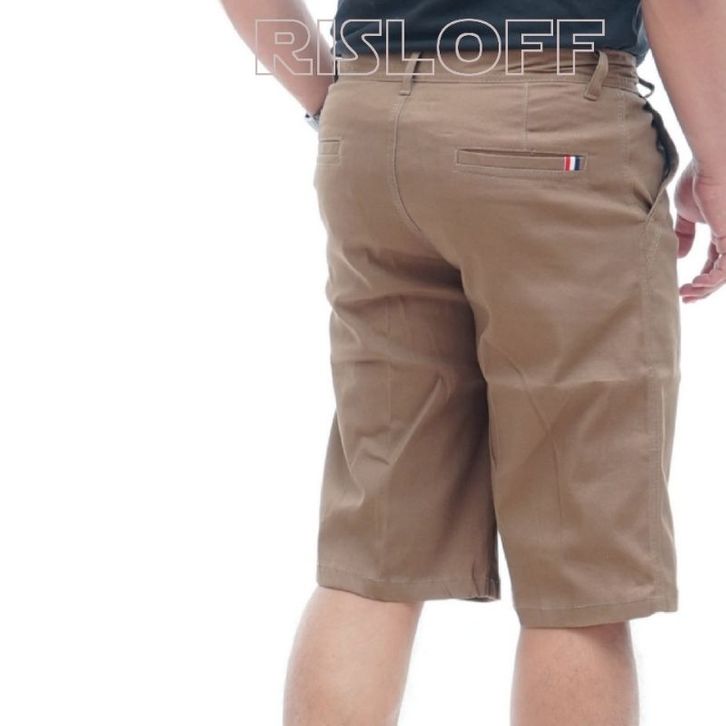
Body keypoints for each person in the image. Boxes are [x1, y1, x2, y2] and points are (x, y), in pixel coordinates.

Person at [222, 1, 726, 724]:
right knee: (580, 573)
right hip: (546, 129)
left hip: (369, 125)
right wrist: (720, 165)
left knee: (377, 552)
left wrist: (332, 100)